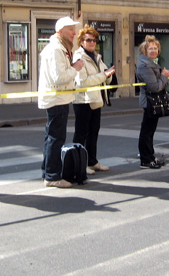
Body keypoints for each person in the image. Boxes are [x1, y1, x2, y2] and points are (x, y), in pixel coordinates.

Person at [38, 16, 84, 188]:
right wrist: (75, 68)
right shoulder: (57, 49)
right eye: (70, 29)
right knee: (56, 138)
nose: (74, 32)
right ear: (60, 31)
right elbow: (59, 77)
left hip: (58, 98)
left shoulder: (60, 47)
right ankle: (52, 176)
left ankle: (48, 172)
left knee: (52, 137)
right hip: (57, 99)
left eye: (74, 28)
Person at [72, 25, 115, 175]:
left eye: (94, 40)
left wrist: (109, 76)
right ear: (81, 42)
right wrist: (104, 75)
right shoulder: (79, 57)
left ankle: (92, 161)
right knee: (81, 133)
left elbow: (104, 76)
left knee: (94, 132)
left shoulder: (96, 56)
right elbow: (82, 81)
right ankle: (79, 164)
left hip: (96, 99)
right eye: (88, 40)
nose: (92, 43)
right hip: (83, 101)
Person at [136, 35, 169, 169]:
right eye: (150, 49)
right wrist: (164, 76)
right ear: (144, 51)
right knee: (147, 131)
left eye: (155, 48)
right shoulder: (145, 65)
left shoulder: (152, 63)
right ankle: (146, 159)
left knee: (150, 130)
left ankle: (151, 157)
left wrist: (162, 76)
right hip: (149, 101)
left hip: (153, 101)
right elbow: (155, 87)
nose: (153, 51)